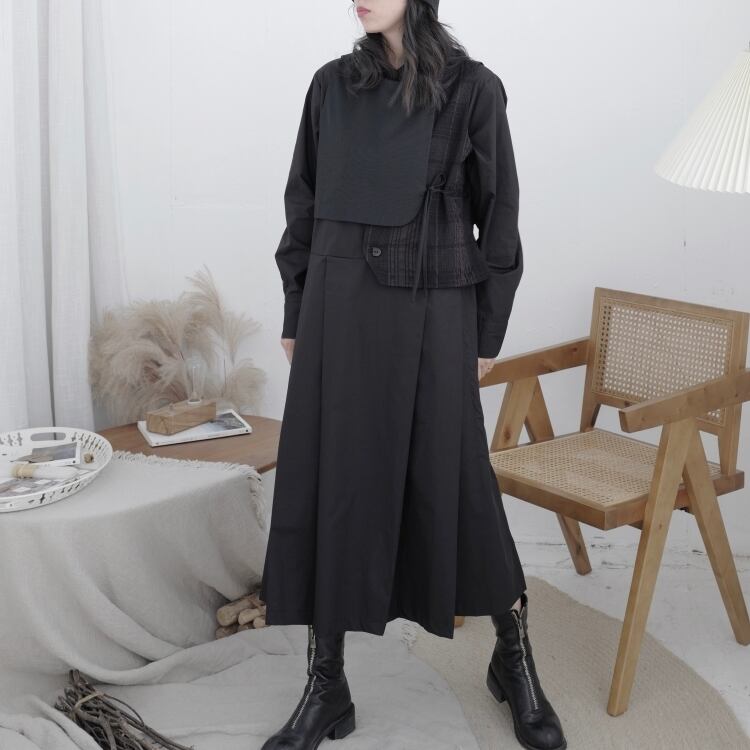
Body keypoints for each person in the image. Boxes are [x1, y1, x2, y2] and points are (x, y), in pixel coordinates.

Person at [259, 1, 567, 748]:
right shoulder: (330, 85)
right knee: (334, 482)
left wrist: (486, 331)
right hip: (337, 309)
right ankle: (326, 685)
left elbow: (500, 216)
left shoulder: (473, 88)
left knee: (457, 483)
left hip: (434, 313)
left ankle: (513, 658)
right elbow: (303, 200)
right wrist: (297, 309)